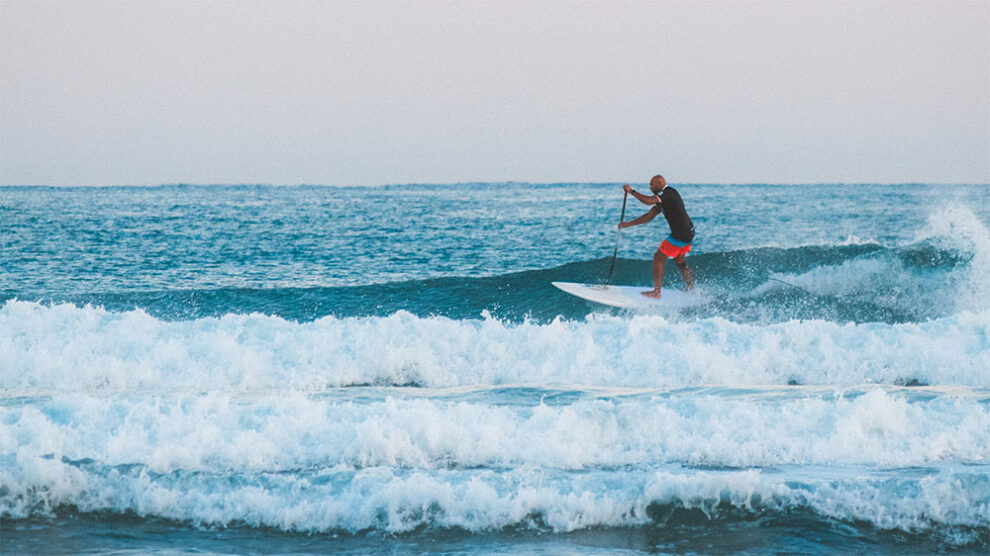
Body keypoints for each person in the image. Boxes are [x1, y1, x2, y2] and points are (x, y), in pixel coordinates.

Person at [618, 175, 694, 298]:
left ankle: (656, 292)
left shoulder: (668, 193)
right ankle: (691, 288)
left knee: (658, 258)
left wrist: (632, 191)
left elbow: (648, 201)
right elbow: (649, 216)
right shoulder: (663, 200)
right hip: (689, 232)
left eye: (651, 184)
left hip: (680, 234)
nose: (650, 187)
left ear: (659, 184)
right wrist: (627, 224)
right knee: (680, 261)